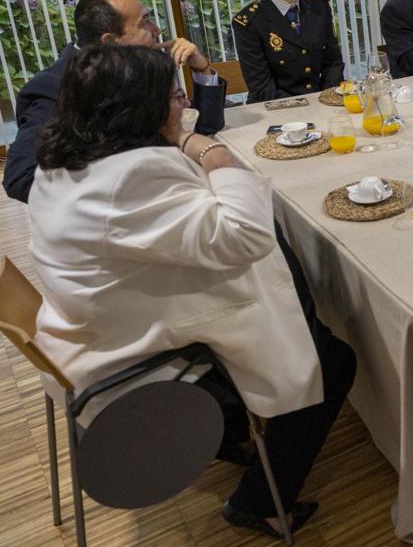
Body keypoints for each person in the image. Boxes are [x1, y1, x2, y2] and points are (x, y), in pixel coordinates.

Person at [26, 44, 356, 539]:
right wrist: (208, 148)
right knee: (331, 358)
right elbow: (246, 234)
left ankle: (238, 439)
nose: (184, 106)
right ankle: (260, 502)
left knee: (279, 294)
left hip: (83, 330)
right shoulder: (131, 177)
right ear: (142, 110)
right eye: (176, 97)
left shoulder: (64, 159)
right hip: (130, 371)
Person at [3, 0, 225, 204]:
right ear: (110, 41)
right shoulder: (56, 87)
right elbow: (21, 178)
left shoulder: (138, 67)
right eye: (145, 22)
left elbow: (206, 126)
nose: (157, 29)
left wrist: (202, 68)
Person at [231, 0, 345, 103]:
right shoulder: (251, 22)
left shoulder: (318, 6)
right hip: (276, 111)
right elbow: (262, 89)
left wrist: (328, 98)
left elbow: (333, 61)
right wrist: (308, 108)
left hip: (320, 104)